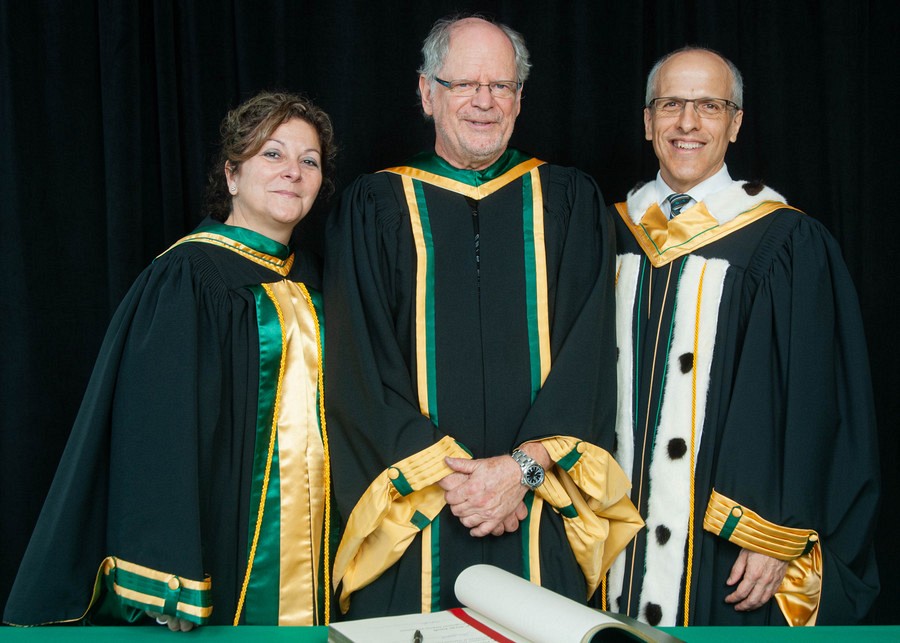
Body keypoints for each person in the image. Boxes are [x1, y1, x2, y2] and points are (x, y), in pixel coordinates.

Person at [324, 14, 642, 619]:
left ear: (520, 100)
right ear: (426, 92)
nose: (483, 102)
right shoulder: (374, 207)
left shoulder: (570, 201)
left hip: (540, 505)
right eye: (464, 84)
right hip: (414, 515)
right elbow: (359, 367)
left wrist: (520, 470)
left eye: (500, 86)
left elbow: (591, 354)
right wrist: (463, 482)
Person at [3, 90, 338, 629]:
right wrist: (170, 574)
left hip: (318, 543)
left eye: (309, 161)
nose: (292, 172)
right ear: (232, 174)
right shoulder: (189, 276)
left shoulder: (318, 280)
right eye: (272, 154)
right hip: (221, 544)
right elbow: (155, 433)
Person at [607, 47, 879, 627]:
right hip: (608, 534)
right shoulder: (608, 232)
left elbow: (813, 397)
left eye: (709, 106)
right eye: (672, 104)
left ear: (734, 123)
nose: (688, 123)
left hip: (721, 540)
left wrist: (772, 528)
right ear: (648, 119)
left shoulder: (784, 242)